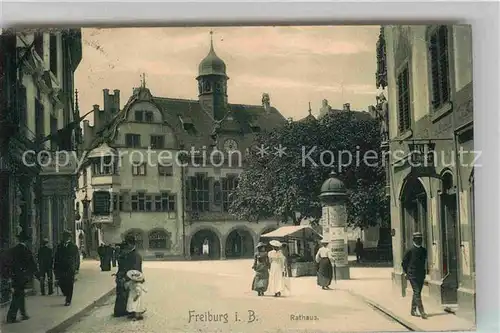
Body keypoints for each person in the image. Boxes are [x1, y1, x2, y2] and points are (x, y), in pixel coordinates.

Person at [6, 232, 38, 323]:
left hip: (15, 276)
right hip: (22, 277)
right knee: (17, 296)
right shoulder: (25, 250)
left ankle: (23, 314)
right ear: (26, 241)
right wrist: (37, 275)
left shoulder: (13, 250)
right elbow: (31, 263)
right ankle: (11, 317)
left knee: (20, 295)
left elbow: (9, 263)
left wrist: (10, 275)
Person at [113, 235, 143, 317]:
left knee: (132, 295)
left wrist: (126, 278)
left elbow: (135, 269)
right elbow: (122, 266)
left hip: (132, 278)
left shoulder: (136, 255)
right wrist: (118, 275)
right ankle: (121, 311)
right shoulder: (126, 253)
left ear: (131, 244)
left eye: (127, 244)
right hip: (123, 277)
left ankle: (133, 312)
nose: (125, 247)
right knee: (122, 294)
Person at [402, 232, 428, 319]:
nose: (419, 241)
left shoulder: (424, 250)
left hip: (421, 275)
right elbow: (404, 263)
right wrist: (406, 272)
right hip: (412, 275)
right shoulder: (409, 251)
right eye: (417, 239)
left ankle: (413, 310)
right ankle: (422, 311)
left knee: (417, 292)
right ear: (413, 240)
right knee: (417, 292)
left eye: (420, 239)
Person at [54, 230, 80, 306]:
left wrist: (77, 268)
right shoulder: (59, 246)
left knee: (69, 284)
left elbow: (77, 258)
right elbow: (56, 257)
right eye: (64, 237)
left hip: (70, 268)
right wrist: (55, 268)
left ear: (69, 238)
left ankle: (68, 300)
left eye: (66, 237)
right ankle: (65, 293)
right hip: (61, 268)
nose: (65, 238)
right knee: (62, 283)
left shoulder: (73, 246)